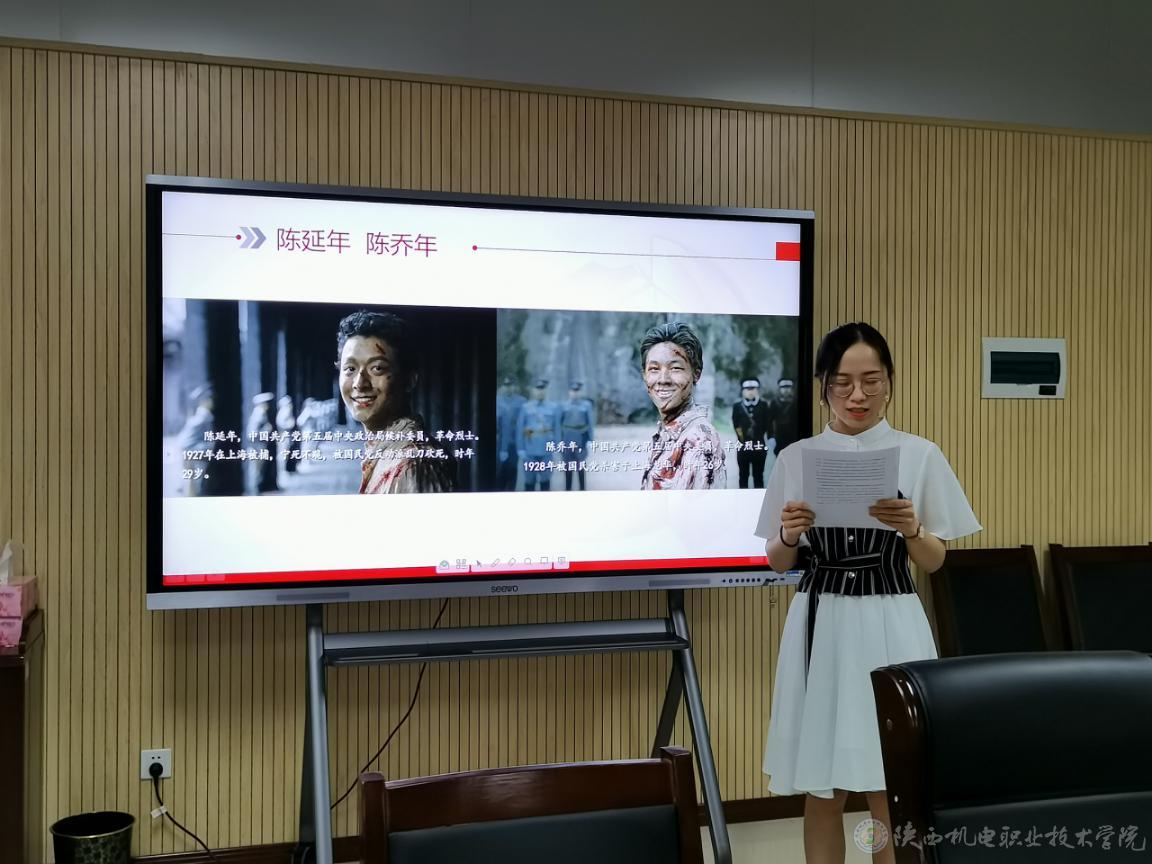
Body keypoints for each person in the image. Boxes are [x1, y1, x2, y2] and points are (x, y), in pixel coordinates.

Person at [755, 322, 981, 864]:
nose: (857, 395)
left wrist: (912, 529)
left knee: (890, 781)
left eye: (871, 381)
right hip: (821, 621)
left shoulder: (919, 454)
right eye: (842, 382)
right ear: (823, 386)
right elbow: (778, 559)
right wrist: (789, 533)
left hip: (891, 617)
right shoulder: (797, 457)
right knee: (822, 786)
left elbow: (934, 560)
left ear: (889, 382)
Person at [337, 310, 453, 494]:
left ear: (409, 380)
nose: (359, 383)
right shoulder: (386, 451)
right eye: (350, 369)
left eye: (377, 368)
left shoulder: (412, 464)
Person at [638, 322, 726, 490]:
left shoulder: (699, 440)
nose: (663, 379)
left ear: (696, 374)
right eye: (654, 369)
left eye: (675, 368)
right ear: (644, 375)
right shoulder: (669, 433)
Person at [516, 378, 560, 491]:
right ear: (533, 391)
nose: (540, 392)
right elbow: (520, 429)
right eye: (537, 389)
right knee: (529, 481)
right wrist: (520, 448)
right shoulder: (526, 407)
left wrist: (557, 448)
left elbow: (557, 430)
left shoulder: (554, 407)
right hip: (529, 450)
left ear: (546, 391)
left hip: (547, 451)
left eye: (542, 389)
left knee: (545, 480)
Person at [731, 377, 772, 488]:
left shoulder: (764, 405)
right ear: (742, 391)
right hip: (743, 446)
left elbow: (768, 424)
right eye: (747, 389)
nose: (750, 392)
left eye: (753, 389)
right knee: (743, 476)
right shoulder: (737, 406)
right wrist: (742, 438)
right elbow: (736, 424)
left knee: (758, 476)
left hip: (759, 446)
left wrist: (767, 437)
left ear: (757, 390)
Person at [559, 381, 595, 491]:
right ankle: (568, 490)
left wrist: (591, 439)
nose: (575, 393)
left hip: (581, 439)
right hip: (567, 439)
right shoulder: (563, 406)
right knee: (568, 467)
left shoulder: (586, 405)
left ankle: (582, 490)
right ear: (569, 392)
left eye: (577, 391)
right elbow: (559, 424)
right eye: (573, 391)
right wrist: (558, 441)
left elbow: (590, 423)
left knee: (581, 467)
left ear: (580, 392)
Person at [495, 376, 526, 491]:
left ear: (515, 387)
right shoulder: (498, 400)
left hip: (514, 441)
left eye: (511, 385)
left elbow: (524, 423)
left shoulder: (521, 401)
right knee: (500, 470)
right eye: (506, 385)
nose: (508, 388)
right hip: (500, 440)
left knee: (513, 469)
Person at [766, 376, 799, 456]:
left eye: (788, 387)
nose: (786, 390)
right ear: (779, 389)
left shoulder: (796, 402)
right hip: (779, 438)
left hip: (794, 438)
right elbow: (769, 422)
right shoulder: (774, 403)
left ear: (792, 389)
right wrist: (771, 437)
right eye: (783, 387)